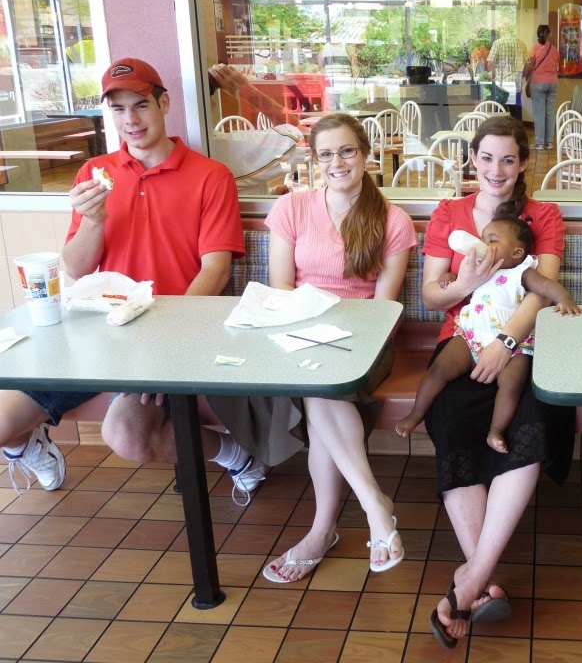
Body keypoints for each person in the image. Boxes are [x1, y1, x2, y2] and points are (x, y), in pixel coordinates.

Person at [0, 58, 265, 503]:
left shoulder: (210, 176)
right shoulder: (94, 174)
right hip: (92, 333)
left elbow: (215, 270)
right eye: (119, 109)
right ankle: (27, 446)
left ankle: (237, 455)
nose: (131, 120)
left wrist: (169, 340)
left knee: (127, 436)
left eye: (141, 105)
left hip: (167, 332)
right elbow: (76, 268)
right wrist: (92, 221)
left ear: (164, 104)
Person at [420, 115, 572, 648]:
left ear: (524, 162)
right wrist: (465, 282)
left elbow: (541, 289)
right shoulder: (450, 213)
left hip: (522, 345)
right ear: (472, 159)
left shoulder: (543, 214)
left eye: (508, 159)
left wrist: (505, 341)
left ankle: (470, 583)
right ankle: (479, 580)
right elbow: (431, 296)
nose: (496, 169)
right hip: (460, 340)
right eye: (486, 157)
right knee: (452, 421)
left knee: (532, 422)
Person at [261, 113, 416, 581]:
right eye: (326, 153)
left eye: (347, 150)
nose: (337, 162)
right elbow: (281, 287)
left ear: (365, 154)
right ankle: (373, 506)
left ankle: (323, 531)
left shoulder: (392, 220)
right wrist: (312, 330)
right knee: (319, 387)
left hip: (366, 340)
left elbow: (383, 307)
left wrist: (334, 335)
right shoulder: (292, 208)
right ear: (314, 159)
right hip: (299, 331)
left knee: (320, 387)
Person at [396, 216, 580, 453]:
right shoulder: (479, 269)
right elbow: (459, 284)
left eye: (492, 240)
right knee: (438, 369)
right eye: (482, 238)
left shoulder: (522, 272)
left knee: (511, 384)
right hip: (471, 337)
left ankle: (496, 430)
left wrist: (564, 298)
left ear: (516, 253)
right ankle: (416, 413)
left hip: (513, 346)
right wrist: (450, 278)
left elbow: (545, 286)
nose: (483, 244)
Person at [525, 24, 557, 150]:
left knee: (539, 113)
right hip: (553, 83)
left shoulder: (533, 49)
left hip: (538, 82)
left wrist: (525, 77)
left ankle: (539, 142)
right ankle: (549, 143)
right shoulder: (554, 50)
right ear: (549, 34)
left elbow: (529, 67)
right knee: (550, 113)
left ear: (537, 35)